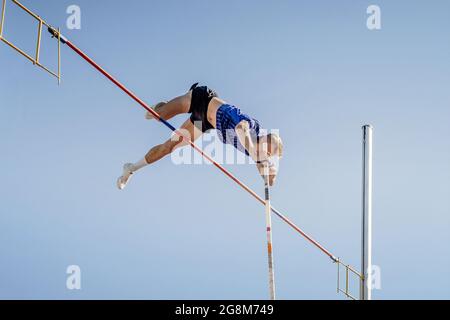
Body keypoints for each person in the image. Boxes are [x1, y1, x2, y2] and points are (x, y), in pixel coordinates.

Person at [117, 83, 283, 189]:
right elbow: (241, 129)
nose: (266, 154)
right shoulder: (252, 127)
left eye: (269, 154)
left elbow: (262, 165)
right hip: (203, 99)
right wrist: (259, 158)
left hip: (203, 122)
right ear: (264, 139)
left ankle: (131, 168)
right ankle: (163, 106)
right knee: (159, 115)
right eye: (268, 150)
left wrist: (268, 176)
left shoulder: (256, 152)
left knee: (169, 147)